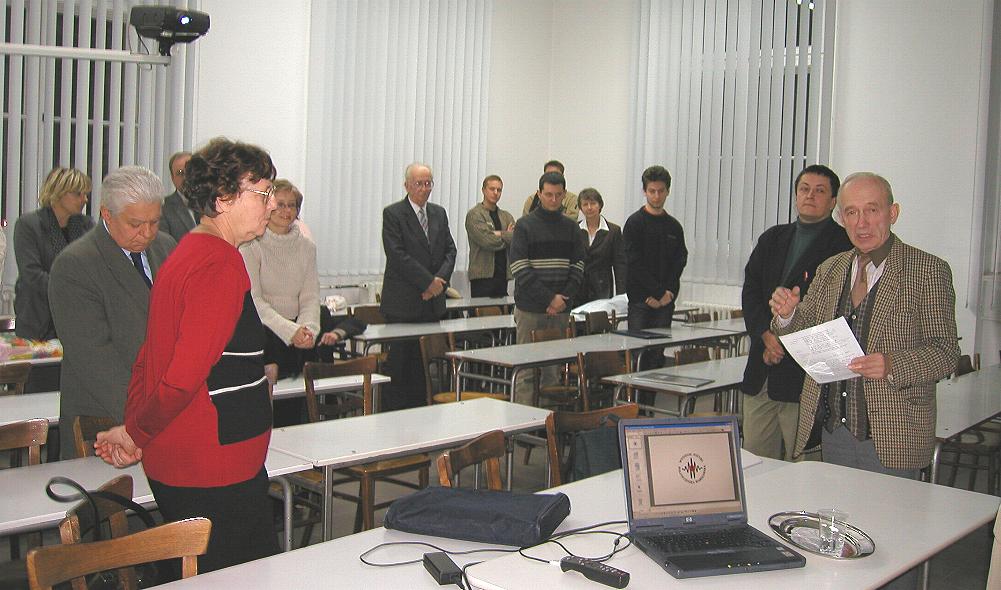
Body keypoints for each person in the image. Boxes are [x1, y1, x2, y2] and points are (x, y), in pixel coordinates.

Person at [95, 138, 281, 572]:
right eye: (264, 192)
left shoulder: (188, 251)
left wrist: (134, 429)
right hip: (212, 467)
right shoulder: (217, 264)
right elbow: (182, 376)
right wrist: (137, 432)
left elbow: (149, 357)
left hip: (194, 460)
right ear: (224, 198)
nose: (272, 204)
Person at [770, 172, 959, 476]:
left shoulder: (927, 270)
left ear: (892, 213)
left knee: (890, 508)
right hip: (832, 431)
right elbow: (805, 328)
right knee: (834, 506)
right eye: (851, 212)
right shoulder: (830, 269)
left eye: (872, 210)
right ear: (841, 218)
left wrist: (892, 364)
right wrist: (788, 315)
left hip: (894, 434)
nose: (861, 223)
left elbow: (946, 352)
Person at [49, 166, 177, 459]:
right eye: (135, 224)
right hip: (107, 418)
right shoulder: (76, 264)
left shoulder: (166, 246)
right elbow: (94, 358)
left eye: (154, 222)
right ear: (107, 214)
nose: (147, 233)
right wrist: (148, 421)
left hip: (163, 410)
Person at [739, 165, 851, 461]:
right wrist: (765, 335)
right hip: (762, 367)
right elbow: (751, 291)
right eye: (804, 189)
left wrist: (783, 342)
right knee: (755, 461)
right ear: (796, 195)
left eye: (820, 191)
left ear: (833, 201)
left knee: (803, 466)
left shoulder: (843, 246)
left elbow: (835, 311)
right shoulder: (772, 238)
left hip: (804, 378)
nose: (810, 196)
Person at [379, 163, 457, 410]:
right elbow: (397, 255)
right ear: (407, 186)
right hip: (403, 303)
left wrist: (439, 282)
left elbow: (450, 251)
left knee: (424, 366)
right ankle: (395, 417)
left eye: (428, 183)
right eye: (419, 183)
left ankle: (423, 414)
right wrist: (428, 282)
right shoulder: (393, 214)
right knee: (401, 366)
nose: (424, 188)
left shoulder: (438, 213)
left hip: (431, 304)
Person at [510, 171, 586, 405]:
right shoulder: (524, 225)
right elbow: (520, 267)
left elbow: (578, 266)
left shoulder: (571, 227)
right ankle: (524, 422)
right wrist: (548, 299)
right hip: (530, 309)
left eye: (558, 195)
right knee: (526, 371)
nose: (553, 200)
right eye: (548, 194)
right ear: (539, 194)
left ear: (564, 195)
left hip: (560, 309)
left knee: (553, 371)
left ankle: (548, 421)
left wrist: (562, 298)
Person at [240, 178, 320, 380]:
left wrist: (308, 330)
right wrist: (290, 331)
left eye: (292, 205)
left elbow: (310, 297)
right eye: (280, 205)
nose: (286, 211)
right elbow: (255, 300)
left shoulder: (307, 247)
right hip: (266, 335)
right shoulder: (251, 245)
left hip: (300, 333)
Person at [13, 167, 95, 341]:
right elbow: (31, 275)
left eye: (86, 194)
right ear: (58, 193)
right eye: (78, 194)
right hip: (38, 319)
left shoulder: (87, 226)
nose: (85, 199)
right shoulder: (29, 225)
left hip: (77, 320)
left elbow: (94, 270)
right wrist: (71, 289)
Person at [623, 165, 687, 371]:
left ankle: (652, 394)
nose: (657, 196)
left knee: (657, 356)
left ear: (668, 191)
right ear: (644, 191)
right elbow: (634, 264)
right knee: (638, 356)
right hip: (641, 301)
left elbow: (679, 262)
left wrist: (668, 293)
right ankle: (636, 394)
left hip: (666, 301)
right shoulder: (634, 223)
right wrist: (655, 293)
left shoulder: (674, 226)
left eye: (661, 191)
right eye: (652, 191)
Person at [465, 174, 515, 297]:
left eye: (499, 190)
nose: (495, 193)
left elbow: (515, 238)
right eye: (492, 189)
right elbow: (487, 241)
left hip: (502, 276)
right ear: (483, 190)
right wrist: (505, 234)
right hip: (482, 277)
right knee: (482, 309)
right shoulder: (474, 215)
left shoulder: (506, 216)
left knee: (503, 309)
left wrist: (496, 233)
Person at [577, 188, 627, 305]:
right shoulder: (575, 229)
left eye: (593, 203)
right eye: (585, 204)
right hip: (578, 289)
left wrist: (621, 295)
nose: (589, 207)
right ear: (580, 208)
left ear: (600, 205)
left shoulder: (613, 231)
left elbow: (620, 265)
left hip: (602, 288)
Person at [159, 151, 196, 241]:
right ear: (172, 178)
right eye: (180, 173)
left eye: (190, 171)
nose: (186, 177)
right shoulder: (163, 208)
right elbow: (164, 246)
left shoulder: (214, 204)